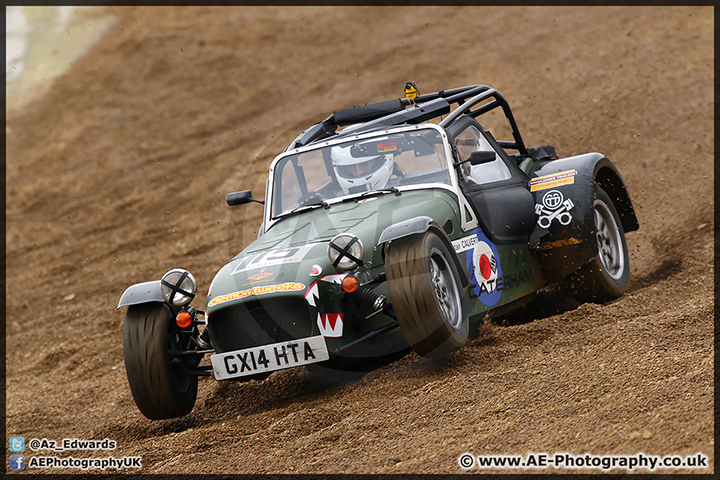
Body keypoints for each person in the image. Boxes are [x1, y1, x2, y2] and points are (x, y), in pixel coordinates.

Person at [331, 144, 395, 194]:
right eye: (353, 167)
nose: (360, 172)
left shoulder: (403, 192)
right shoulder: (330, 202)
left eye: (365, 164)